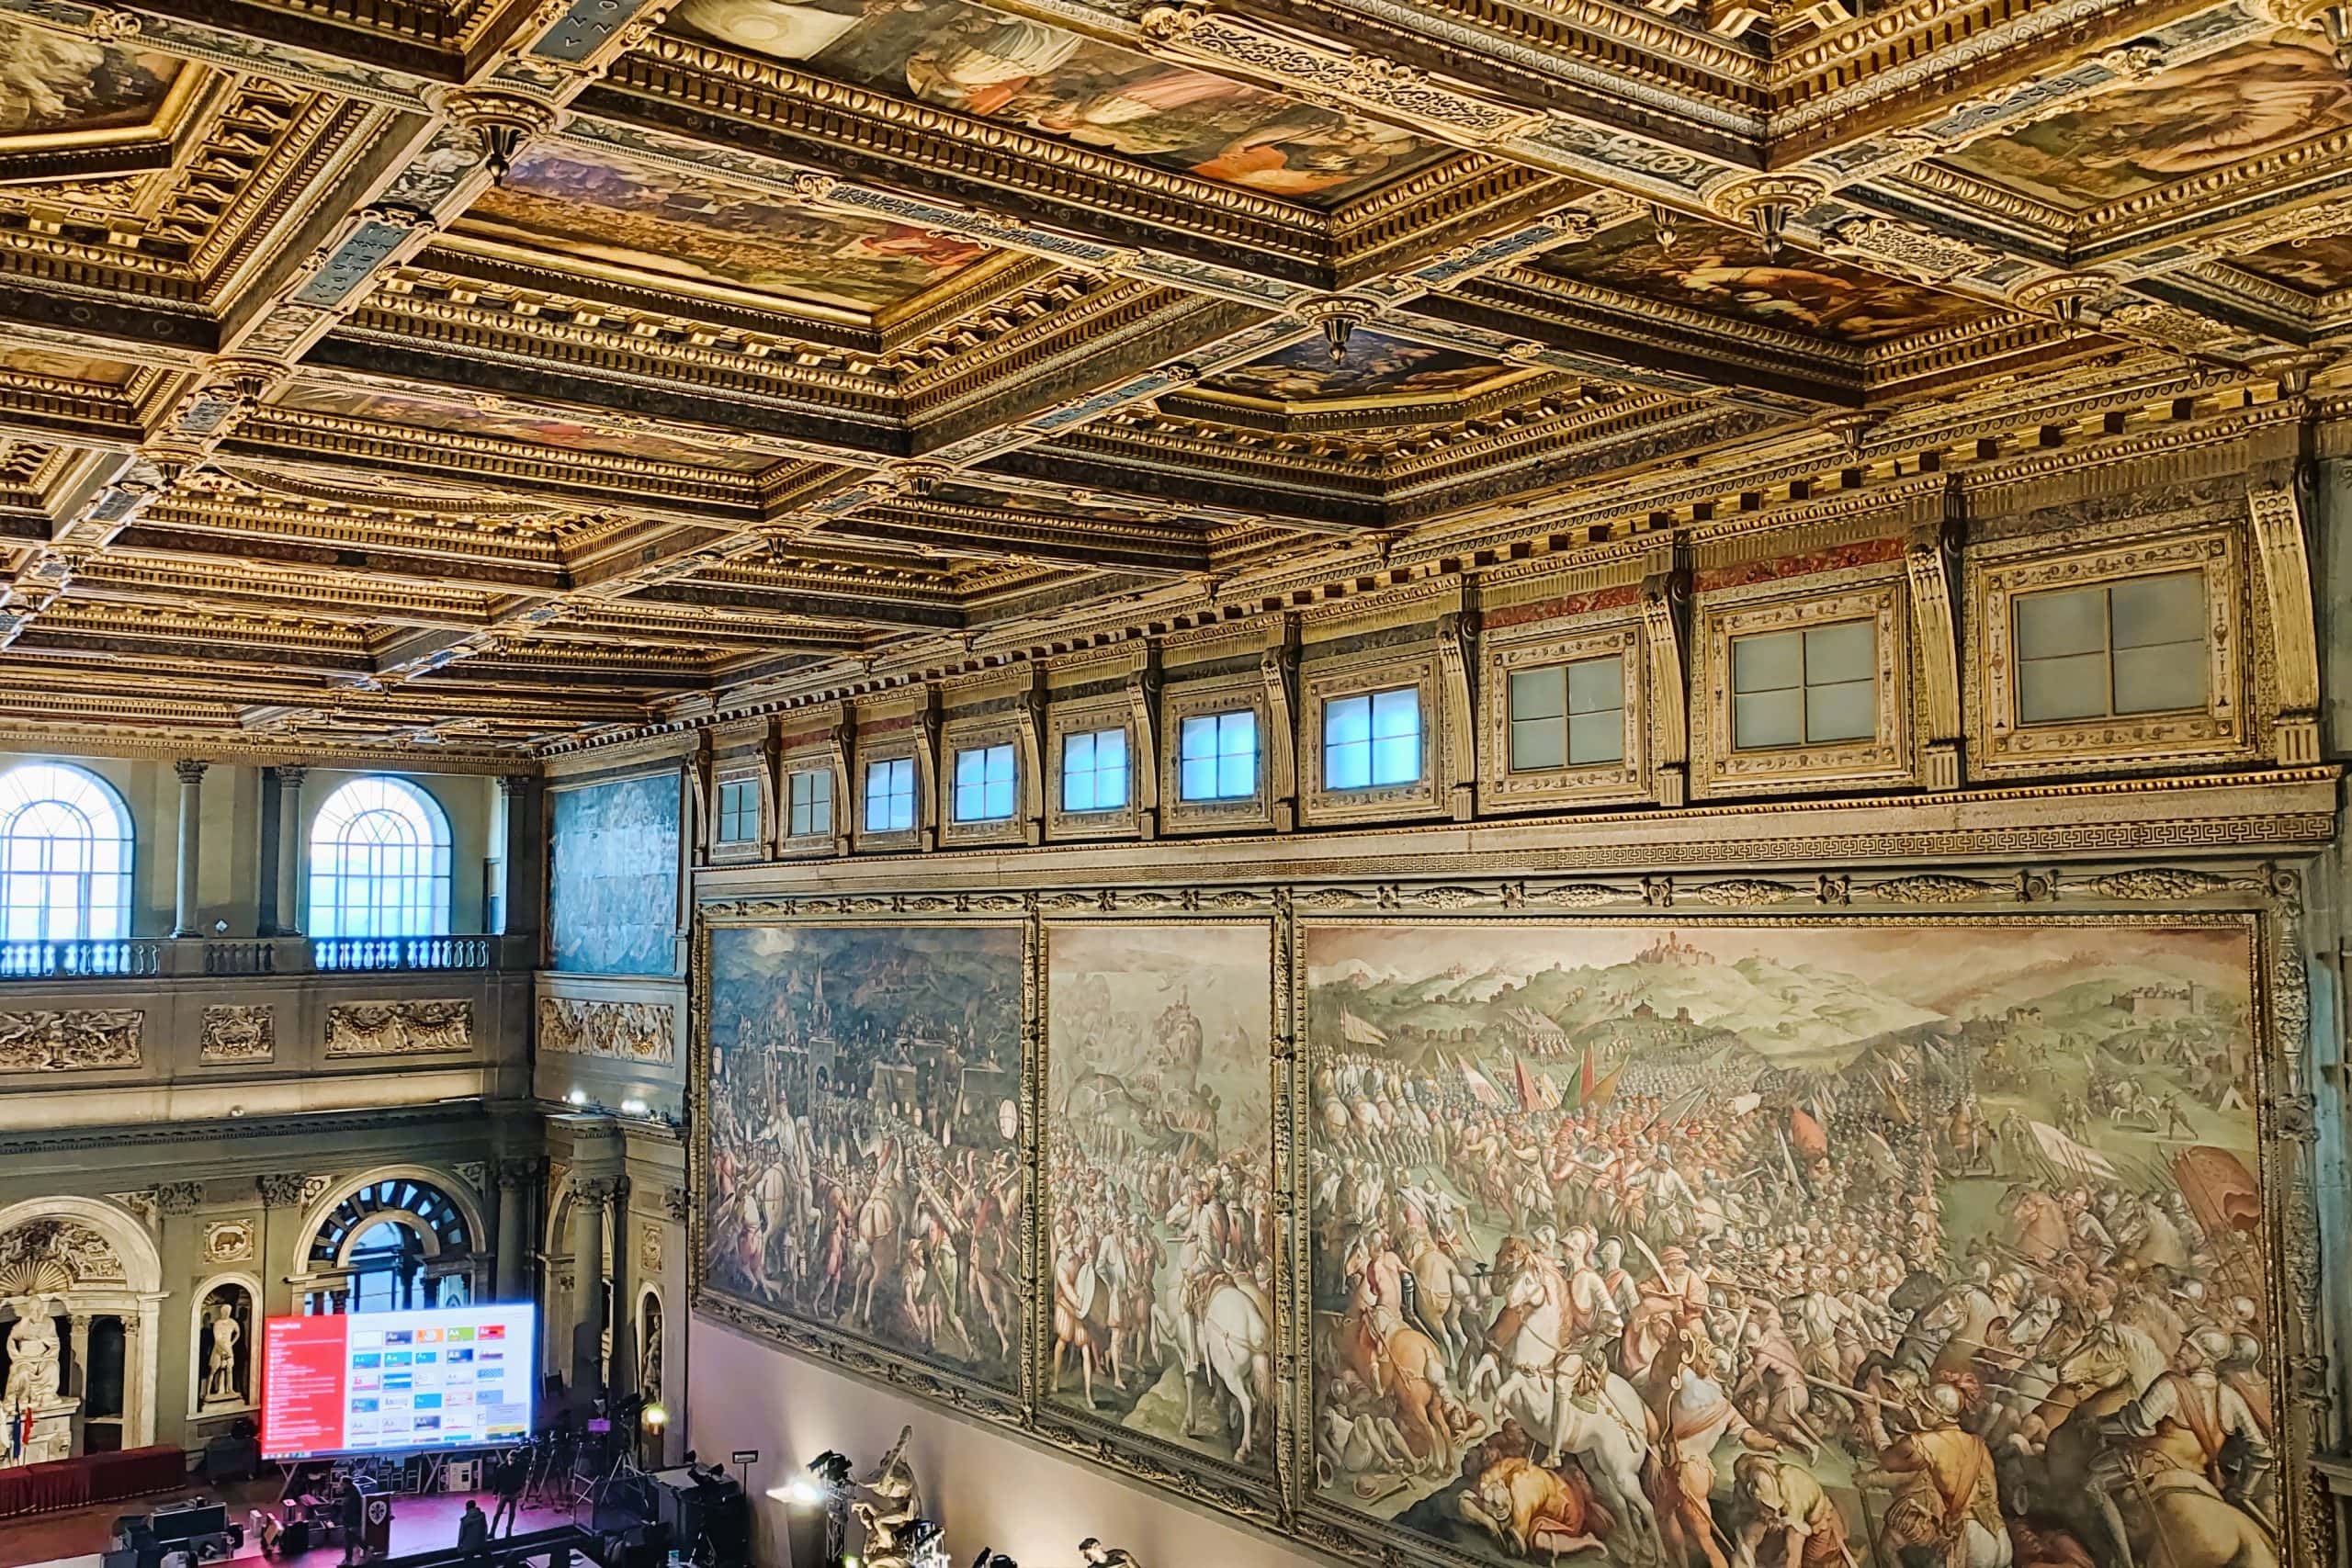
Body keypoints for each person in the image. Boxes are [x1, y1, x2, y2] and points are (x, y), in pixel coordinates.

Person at [491, 1448, 526, 1535]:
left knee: (511, 1513)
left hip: (513, 1493)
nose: (511, 1461)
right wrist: (495, 1493)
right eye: (510, 1459)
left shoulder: (518, 1468)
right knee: (498, 1513)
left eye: (513, 1459)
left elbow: (522, 1480)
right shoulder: (501, 1468)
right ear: (508, 1457)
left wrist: (520, 1490)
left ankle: (508, 1530)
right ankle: (492, 1531)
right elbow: (497, 1481)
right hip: (504, 1493)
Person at [457, 1499, 490, 1564]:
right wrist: (484, 1540)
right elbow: (485, 1529)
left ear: (467, 1508)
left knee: (468, 1560)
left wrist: (459, 1545)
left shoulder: (465, 1520)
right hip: (481, 1544)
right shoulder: (482, 1516)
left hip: (468, 1547)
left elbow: (462, 1534)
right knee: (487, 1557)